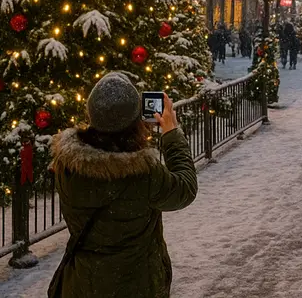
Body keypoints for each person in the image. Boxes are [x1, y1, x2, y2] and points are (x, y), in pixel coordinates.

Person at [49, 73, 198, 298]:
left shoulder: (68, 166)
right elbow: (185, 189)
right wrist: (171, 133)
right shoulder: (142, 174)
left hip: (83, 283)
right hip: (135, 286)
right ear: (135, 120)